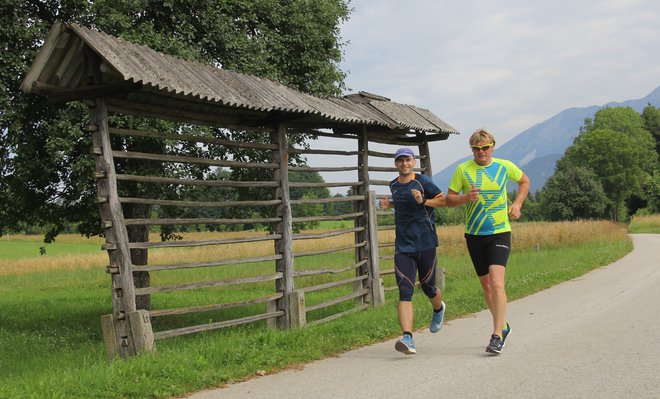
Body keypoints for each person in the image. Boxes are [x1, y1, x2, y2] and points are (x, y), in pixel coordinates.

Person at [444, 128, 530, 355]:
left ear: (492, 146)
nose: (481, 152)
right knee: (486, 287)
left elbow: (524, 182)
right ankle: (503, 326)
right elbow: (449, 200)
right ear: (471, 149)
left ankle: (496, 336)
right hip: (474, 234)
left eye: (485, 147)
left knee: (497, 281)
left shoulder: (504, 166)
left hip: (500, 232)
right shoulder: (463, 170)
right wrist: (465, 198)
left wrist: (518, 204)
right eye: (476, 148)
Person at [379, 147, 447, 355]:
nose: (404, 163)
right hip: (403, 247)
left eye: (407, 160)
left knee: (428, 287)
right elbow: (401, 203)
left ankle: (438, 308)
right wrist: (388, 203)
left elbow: (443, 201)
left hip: (426, 244)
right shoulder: (393, 185)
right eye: (400, 160)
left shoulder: (423, 182)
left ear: (414, 161)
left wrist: (424, 201)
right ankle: (407, 337)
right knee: (405, 291)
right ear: (396, 164)